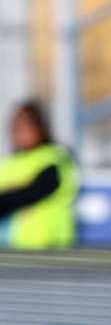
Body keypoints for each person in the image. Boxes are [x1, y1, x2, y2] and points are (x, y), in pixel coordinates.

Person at [0, 100, 78, 249]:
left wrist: (7, 197)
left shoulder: (54, 157)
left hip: (50, 245)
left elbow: (35, 191)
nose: (21, 132)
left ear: (40, 126)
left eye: (27, 125)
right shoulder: (10, 163)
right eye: (17, 127)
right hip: (15, 247)